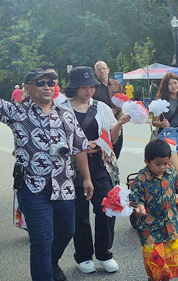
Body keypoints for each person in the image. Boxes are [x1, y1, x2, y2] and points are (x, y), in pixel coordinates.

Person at [2, 68, 93, 281]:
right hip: (33, 188)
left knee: (66, 232)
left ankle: (51, 264)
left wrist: (87, 178)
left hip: (64, 185)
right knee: (41, 240)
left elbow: (79, 147)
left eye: (51, 83)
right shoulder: (17, 112)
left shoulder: (65, 114)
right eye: (40, 83)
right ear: (27, 87)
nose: (47, 87)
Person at [61, 66, 130, 274]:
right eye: (83, 87)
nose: (88, 90)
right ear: (74, 88)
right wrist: (80, 145)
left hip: (100, 165)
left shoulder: (101, 107)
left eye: (91, 85)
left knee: (107, 208)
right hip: (73, 168)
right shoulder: (62, 108)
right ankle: (83, 256)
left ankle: (105, 253)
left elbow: (111, 134)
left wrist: (119, 124)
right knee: (79, 213)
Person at [130, 139, 178, 281]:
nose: (162, 167)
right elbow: (136, 199)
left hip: (170, 226)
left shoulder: (171, 173)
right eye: (158, 164)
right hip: (150, 228)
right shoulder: (140, 180)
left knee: (168, 263)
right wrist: (140, 207)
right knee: (155, 263)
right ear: (147, 161)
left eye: (166, 163)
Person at [152, 73, 178, 173]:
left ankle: (170, 188)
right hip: (167, 134)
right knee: (175, 168)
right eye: (170, 84)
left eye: (175, 83)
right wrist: (162, 124)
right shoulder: (161, 101)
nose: (173, 86)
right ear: (166, 86)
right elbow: (154, 121)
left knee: (175, 171)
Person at [93, 61, 125, 158]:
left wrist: (119, 108)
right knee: (103, 154)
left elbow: (125, 100)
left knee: (116, 152)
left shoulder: (116, 84)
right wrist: (106, 111)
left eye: (104, 69)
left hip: (117, 122)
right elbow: (90, 105)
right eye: (99, 70)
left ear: (108, 70)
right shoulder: (94, 87)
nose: (102, 71)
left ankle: (113, 171)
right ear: (96, 73)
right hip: (101, 126)